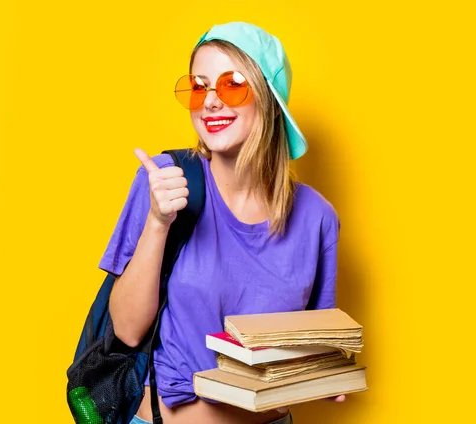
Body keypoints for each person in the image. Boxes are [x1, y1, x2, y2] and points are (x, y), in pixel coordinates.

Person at [99, 22, 344, 424]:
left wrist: (326, 373)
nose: (210, 102)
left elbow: (315, 344)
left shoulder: (317, 217)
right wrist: (159, 222)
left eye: (232, 85)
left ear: (267, 99)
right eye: (199, 87)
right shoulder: (166, 181)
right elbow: (126, 331)